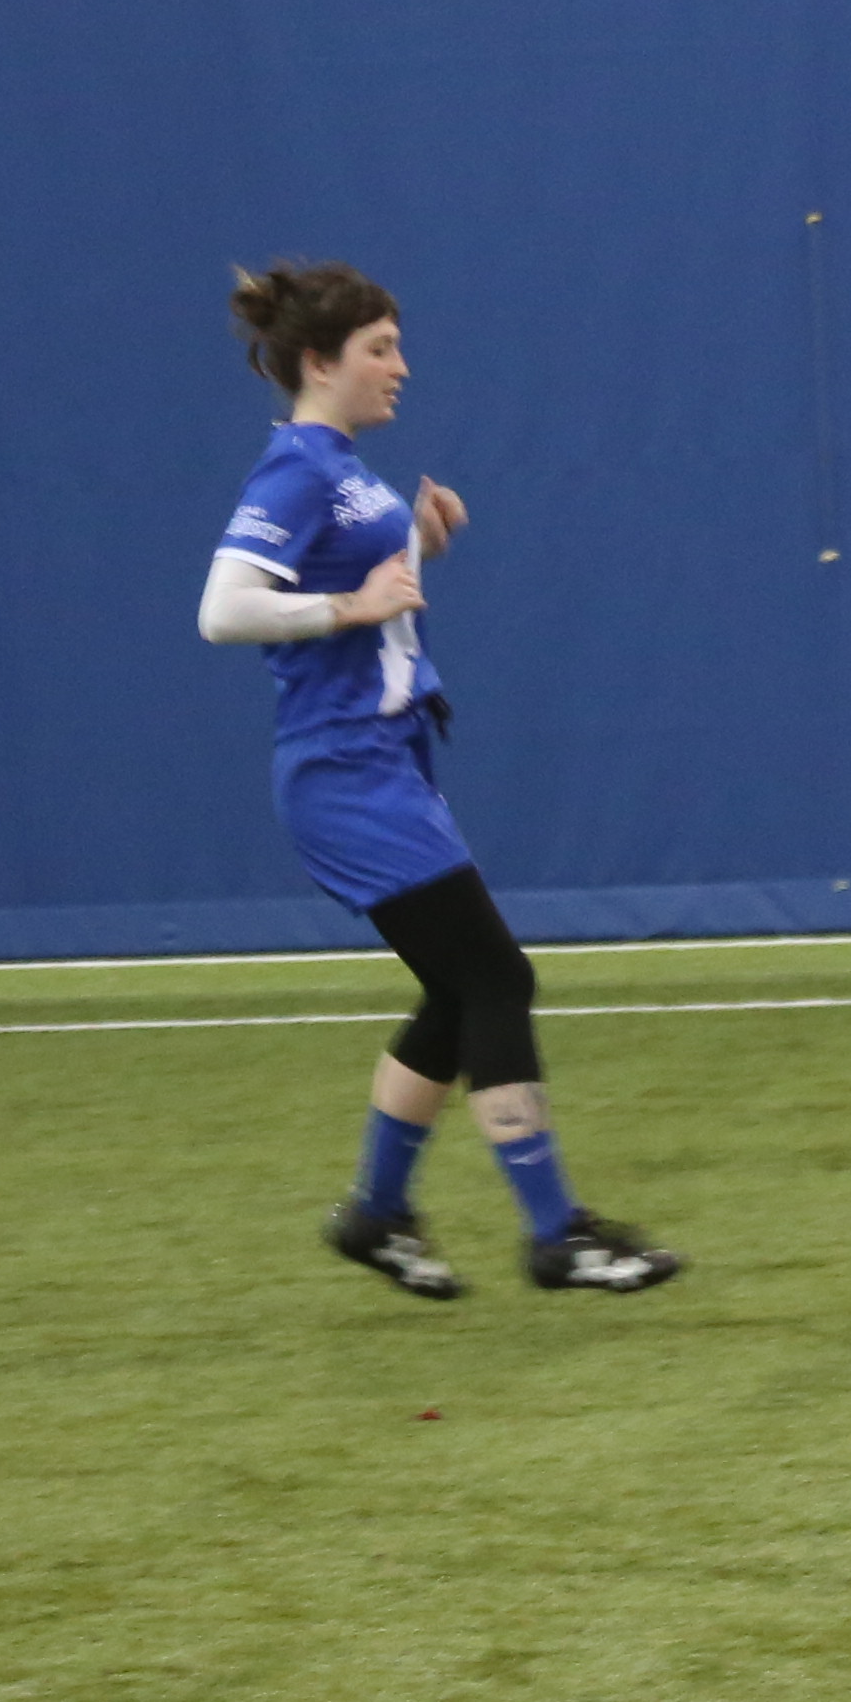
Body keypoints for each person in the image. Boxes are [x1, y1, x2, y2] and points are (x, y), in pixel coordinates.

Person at [199, 263, 675, 1297]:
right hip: (345, 775)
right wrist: (349, 607)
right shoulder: (296, 470)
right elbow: (224, 609)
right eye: (379, 349)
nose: (401, 366)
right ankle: (557, 1236)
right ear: (318, 363)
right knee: (496, 979)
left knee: (460, 993)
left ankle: (378, 1214)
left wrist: (413, 544)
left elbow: (359, 584)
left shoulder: (342, 468)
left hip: (383, 762)